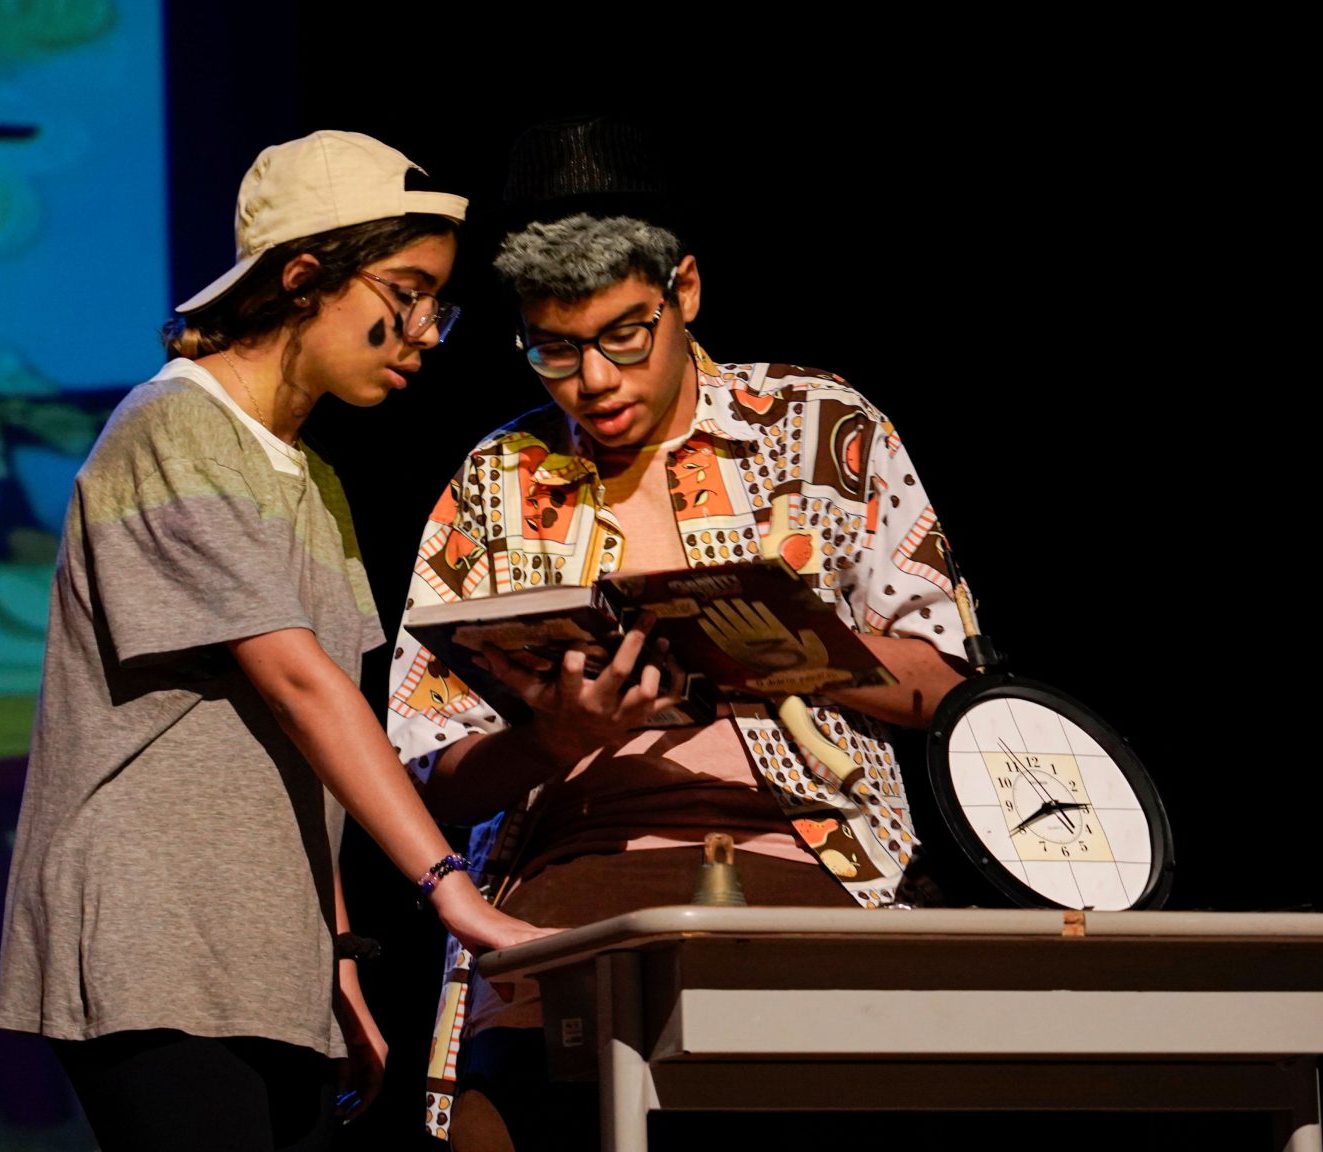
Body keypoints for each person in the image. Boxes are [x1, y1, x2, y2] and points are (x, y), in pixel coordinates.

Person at [383, 116, 971, 1149]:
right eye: (554, 349)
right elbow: (426, 775)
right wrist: (555, 738)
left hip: (802, 853)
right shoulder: (496, 480)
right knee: (505, 1111)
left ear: (683, 292)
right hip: (566, 875)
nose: (594, 381)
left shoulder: (818, 426)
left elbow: (949, 689)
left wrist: (782, 648)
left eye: (624, 336)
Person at [0, 130, 550, 1152]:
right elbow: (297, 682)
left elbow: (305, 746)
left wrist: (332, 956)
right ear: (303, 278)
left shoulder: (313, 476)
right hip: (157, 929)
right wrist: (451, 891)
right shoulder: (173, 428)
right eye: (406, 294)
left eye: (438, 303)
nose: (426, 332)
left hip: (266, 946)